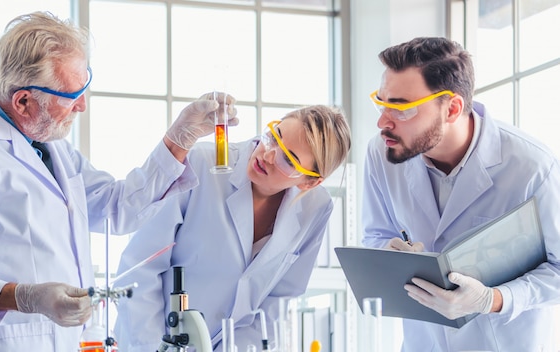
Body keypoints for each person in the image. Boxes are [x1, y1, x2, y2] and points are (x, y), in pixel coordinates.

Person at [0, 11, 237, 352]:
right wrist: (24, 297)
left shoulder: (48, 145)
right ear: (23, 101)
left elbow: (116, 208)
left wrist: (180, 137)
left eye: (84, 87)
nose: (82, 106)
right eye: (71, 95)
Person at [361, 36, 560, 351]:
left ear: (451, 109)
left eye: (400, 110)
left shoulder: (533, 167)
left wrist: (492, 299)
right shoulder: (382, 153)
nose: (382, 122)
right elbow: (375, 235)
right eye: (381, 103)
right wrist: (388, 253)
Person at [112, 105, 351, 351]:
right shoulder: (202, 164)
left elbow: (276, 304)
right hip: (151, 340)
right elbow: (139, 268)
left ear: (310, 182)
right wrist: (153, 347)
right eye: (274, 136)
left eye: (288, 159)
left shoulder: (316, 208)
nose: (268, 154)